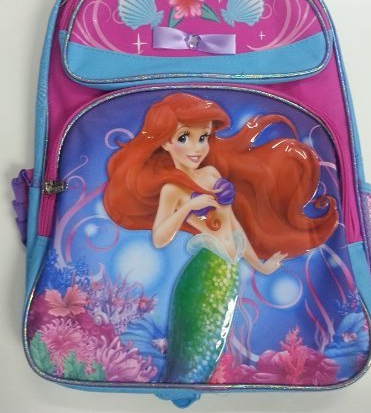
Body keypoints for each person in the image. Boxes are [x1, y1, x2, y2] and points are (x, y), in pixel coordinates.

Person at [103, 92, 338, 383]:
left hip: (227, 273)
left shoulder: (212, 173)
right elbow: (161, 237)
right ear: (165, 142)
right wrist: (187, 208)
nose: (196, 148)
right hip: (203, 273)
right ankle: (179, 386)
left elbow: (233, 228)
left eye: (202, 138)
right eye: (184, 138)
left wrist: (261, 265)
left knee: (209, 346)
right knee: (193, 349)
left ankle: (190, 386)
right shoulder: (171, 189)